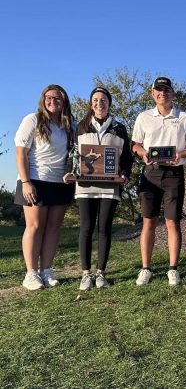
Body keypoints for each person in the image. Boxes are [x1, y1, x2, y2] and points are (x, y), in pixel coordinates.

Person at [65, 87, 133, 291]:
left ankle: (101, 272)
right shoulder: (81, 127)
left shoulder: (119, 128)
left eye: (103, 100)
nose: (99, 103)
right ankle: (86, 274)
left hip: (110, 187)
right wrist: (69, 172)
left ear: (109, 103)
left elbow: (127, 158)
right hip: (85, 186)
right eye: (95, 100)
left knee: (105, 229)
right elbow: (73, 154)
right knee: (86, 228)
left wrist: (125, 175)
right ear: (90, 103)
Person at [131, 77, 186, 286]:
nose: (162, 94)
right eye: (158, 90)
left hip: (174, 174)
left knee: (172, 222)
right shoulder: (143, 117)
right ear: (152, 94)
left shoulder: (184, 117)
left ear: (172, 93)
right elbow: (135, 144)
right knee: (149, 221)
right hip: (150, 173)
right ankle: (146, 268)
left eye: (166, 90)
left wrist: (180, 154)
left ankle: (173, 268)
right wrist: (142, 153)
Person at [14, 84, 75, 290]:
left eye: (58, 98)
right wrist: (25, 182)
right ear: (43, 99)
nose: (53, 101)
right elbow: (21, 152)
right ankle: (31, 274)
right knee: (35, 227)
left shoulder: (70, 125)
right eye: (49, 98)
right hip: (35, 180)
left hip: (61, 182)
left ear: (64, 101)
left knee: (53, 228)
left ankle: (46, 270)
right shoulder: (32, 120)